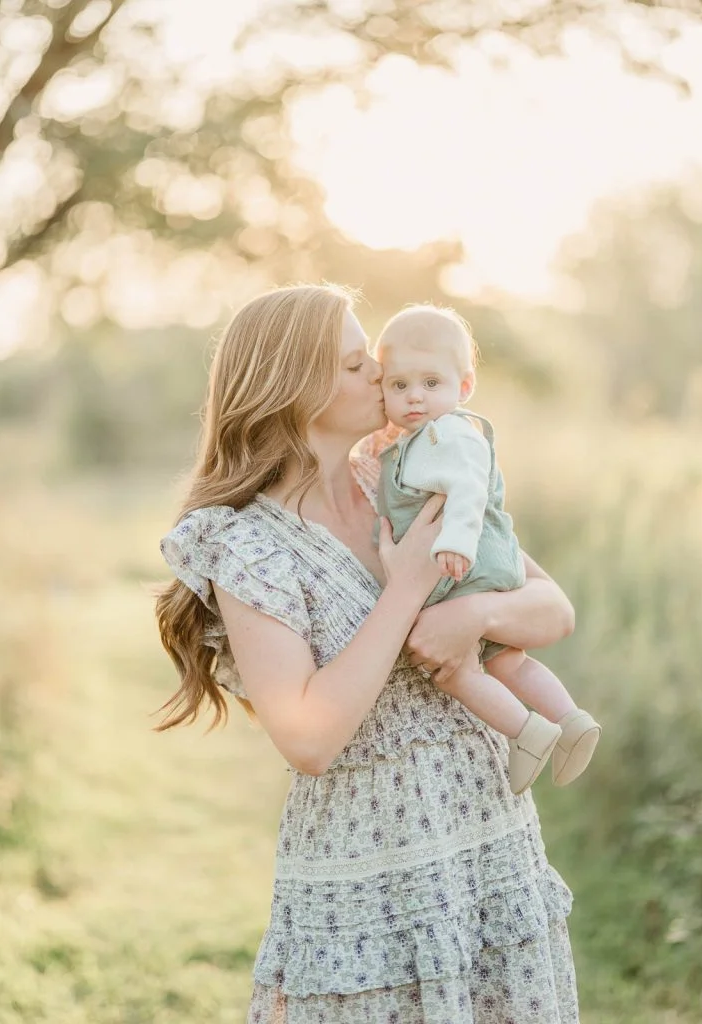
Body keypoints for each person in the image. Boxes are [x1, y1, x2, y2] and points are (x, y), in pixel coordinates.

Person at [155, 283, 580, 1024]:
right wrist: (407, 588)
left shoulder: (403, 478)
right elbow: (309, 737)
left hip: (485, 834)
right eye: (359, 365)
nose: (381, 380)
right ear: (295, 384)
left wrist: (473, 613)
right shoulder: (248, 542)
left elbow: (551, 608)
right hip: (373, 871)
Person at [374, 304, 601, 795]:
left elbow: (469, 489)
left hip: (463, 562)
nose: (414, 396)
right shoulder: (420, 438)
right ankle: (570, 719)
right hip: (479, 563)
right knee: (506, 661)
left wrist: (455, 543)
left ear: (464, 386)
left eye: (431, 383)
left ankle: (527, 733)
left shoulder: (449, 433)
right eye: (399, 385)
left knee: (455, 669)